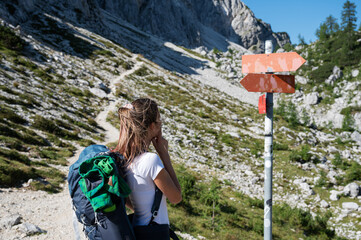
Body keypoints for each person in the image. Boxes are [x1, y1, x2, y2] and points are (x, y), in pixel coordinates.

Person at [113, 98, 182, 239]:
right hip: (154, 233)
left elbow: (128, 199)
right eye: (158, 120)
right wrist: (164, 154)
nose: (161, 123)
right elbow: (176, 197)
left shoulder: (123, 160)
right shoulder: (151, 160)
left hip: (136, 231)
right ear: (151, 126)